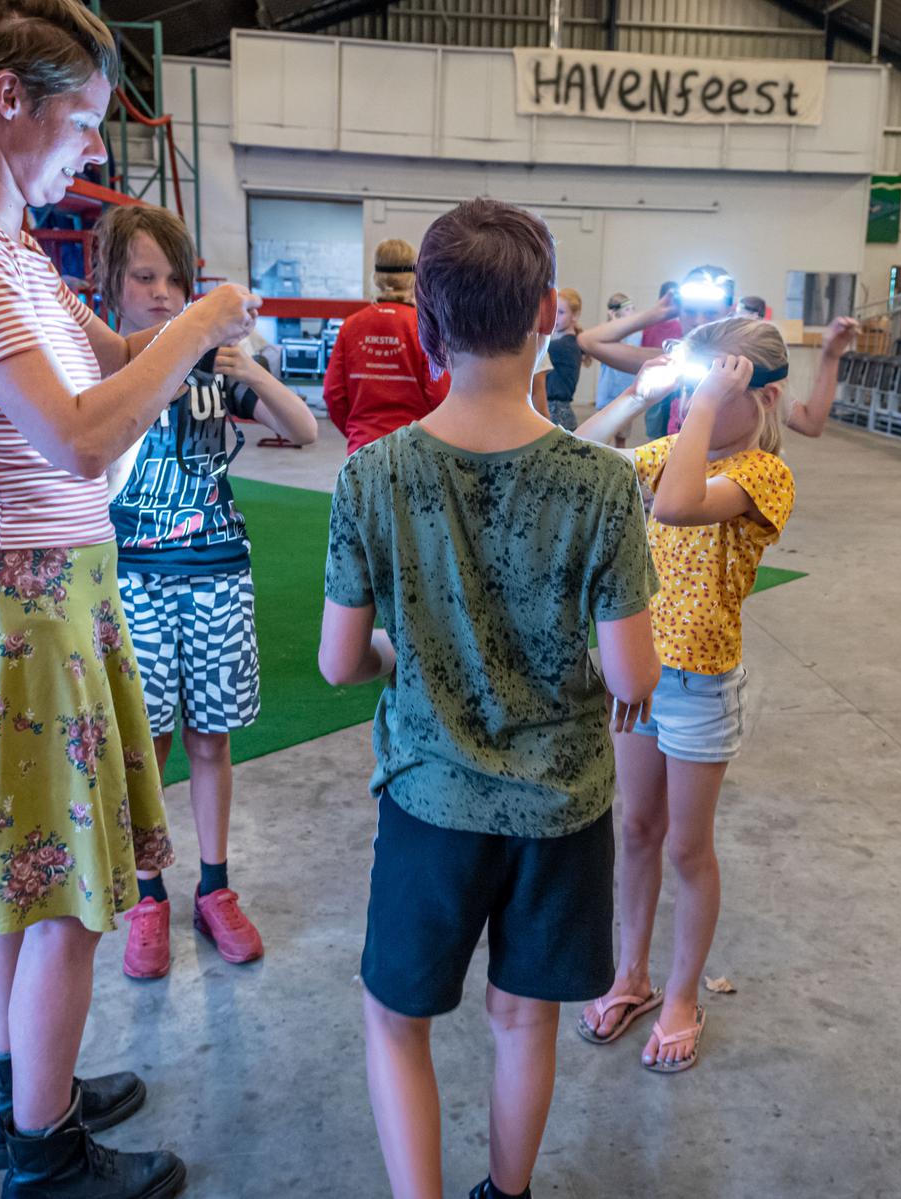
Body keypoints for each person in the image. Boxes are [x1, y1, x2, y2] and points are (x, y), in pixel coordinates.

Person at [0, 2, 256, 1194]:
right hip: (22, 595)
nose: (92, 150)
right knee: (68, 894)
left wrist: (179, 329)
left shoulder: (9, 249)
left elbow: (102, 358)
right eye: (82, 121)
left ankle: (20, 1090)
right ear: (8, 101)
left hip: (48, 591)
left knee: (23, 872)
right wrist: (201, 318)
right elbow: (84, 438)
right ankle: (45, 1155)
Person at [318, 198, 660, 1199]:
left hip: (430, 802)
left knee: (397, 1018)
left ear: (425, 323)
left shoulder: (372, 475)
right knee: (524, 1015)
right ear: (548, 311)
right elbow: (635, 675)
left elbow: (343, 662)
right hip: (561, 807)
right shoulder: (602, 480)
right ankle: (504, 1193)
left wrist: (409, 653)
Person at [91, 203, 319, 981]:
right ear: (112, 287)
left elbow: (305, 427)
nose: (160, 293)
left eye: (174, 280)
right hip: (136, 582)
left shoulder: (211, 372)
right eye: (143, 278)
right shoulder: (108, 370)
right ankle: (149, 893)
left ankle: (214, 887)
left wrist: (246, 364)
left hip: (217, 573)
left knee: (211, 737)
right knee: (146, 745)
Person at [570, 318, 796, 1075]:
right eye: (696, 389)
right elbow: (585, 459)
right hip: (641, 675)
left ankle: (681, 993)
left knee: (687, 845)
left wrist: (703, 402)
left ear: (759, 396)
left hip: (700, 686)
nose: (696, 401)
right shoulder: (678, 448)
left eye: (716, 387)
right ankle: (630, 974)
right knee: (636, 828)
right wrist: (642, 392)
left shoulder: (765, 476)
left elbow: (674, 505)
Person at [582, 267, 836, 438]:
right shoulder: (669, 361)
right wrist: (655, 314)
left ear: (730, 310)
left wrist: (831, 357)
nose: (699, 320)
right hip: (666, 476)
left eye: (710, 312)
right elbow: (590, 341)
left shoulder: (745, 369)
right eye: (690, 311)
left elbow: (810, 423)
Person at [322, 237, 450, 454]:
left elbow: (332, 393)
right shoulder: (424, 327)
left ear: (376, 278)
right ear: (414, 279)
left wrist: (357, 430)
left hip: (361, 448)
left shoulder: (351, 326)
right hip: (414, 449)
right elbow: (438, 394)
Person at [591, 293, 638, 447]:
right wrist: (614, 324)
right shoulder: (605, 334)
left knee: (621, 438)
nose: (632, 313)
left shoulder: (636, 334)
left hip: (626, 393)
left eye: (633, 309)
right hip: (607, 394)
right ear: (615, 313)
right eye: (627, 310)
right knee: (603, 437)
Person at [544, 286, 585, 429]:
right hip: (560, 413)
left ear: (574, 315)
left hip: (556, 414)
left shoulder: (562, 346)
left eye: (560, 312)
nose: (555, 317)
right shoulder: (567, 343)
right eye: (553, 312)